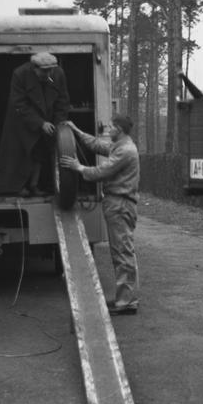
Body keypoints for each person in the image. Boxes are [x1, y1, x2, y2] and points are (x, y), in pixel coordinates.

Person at [60, 115, 140, 315]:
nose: (108, 129)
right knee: (120, 252)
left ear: (119, 130)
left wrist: (78, 167)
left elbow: (101, 171)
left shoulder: (125, 151)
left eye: (112, 127)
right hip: (117, 204)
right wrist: (76, 131)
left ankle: (127, 303)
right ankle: (124, 299)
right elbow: (96, 144)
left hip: (120, 204)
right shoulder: (120, 145)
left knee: (123, 253)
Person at [0, 52, 72, 197]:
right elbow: (19, 103)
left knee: (41, 154)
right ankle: (17, 187)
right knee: (21, 154)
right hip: (23, 121)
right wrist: (40, 123)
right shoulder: (20, 74)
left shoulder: (58, 74)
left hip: (49, 121)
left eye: (50, 70)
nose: (48, 73)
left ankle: (35, 185)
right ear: (34, 68)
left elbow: (63, 101)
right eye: (44, 71)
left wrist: (57, 124)